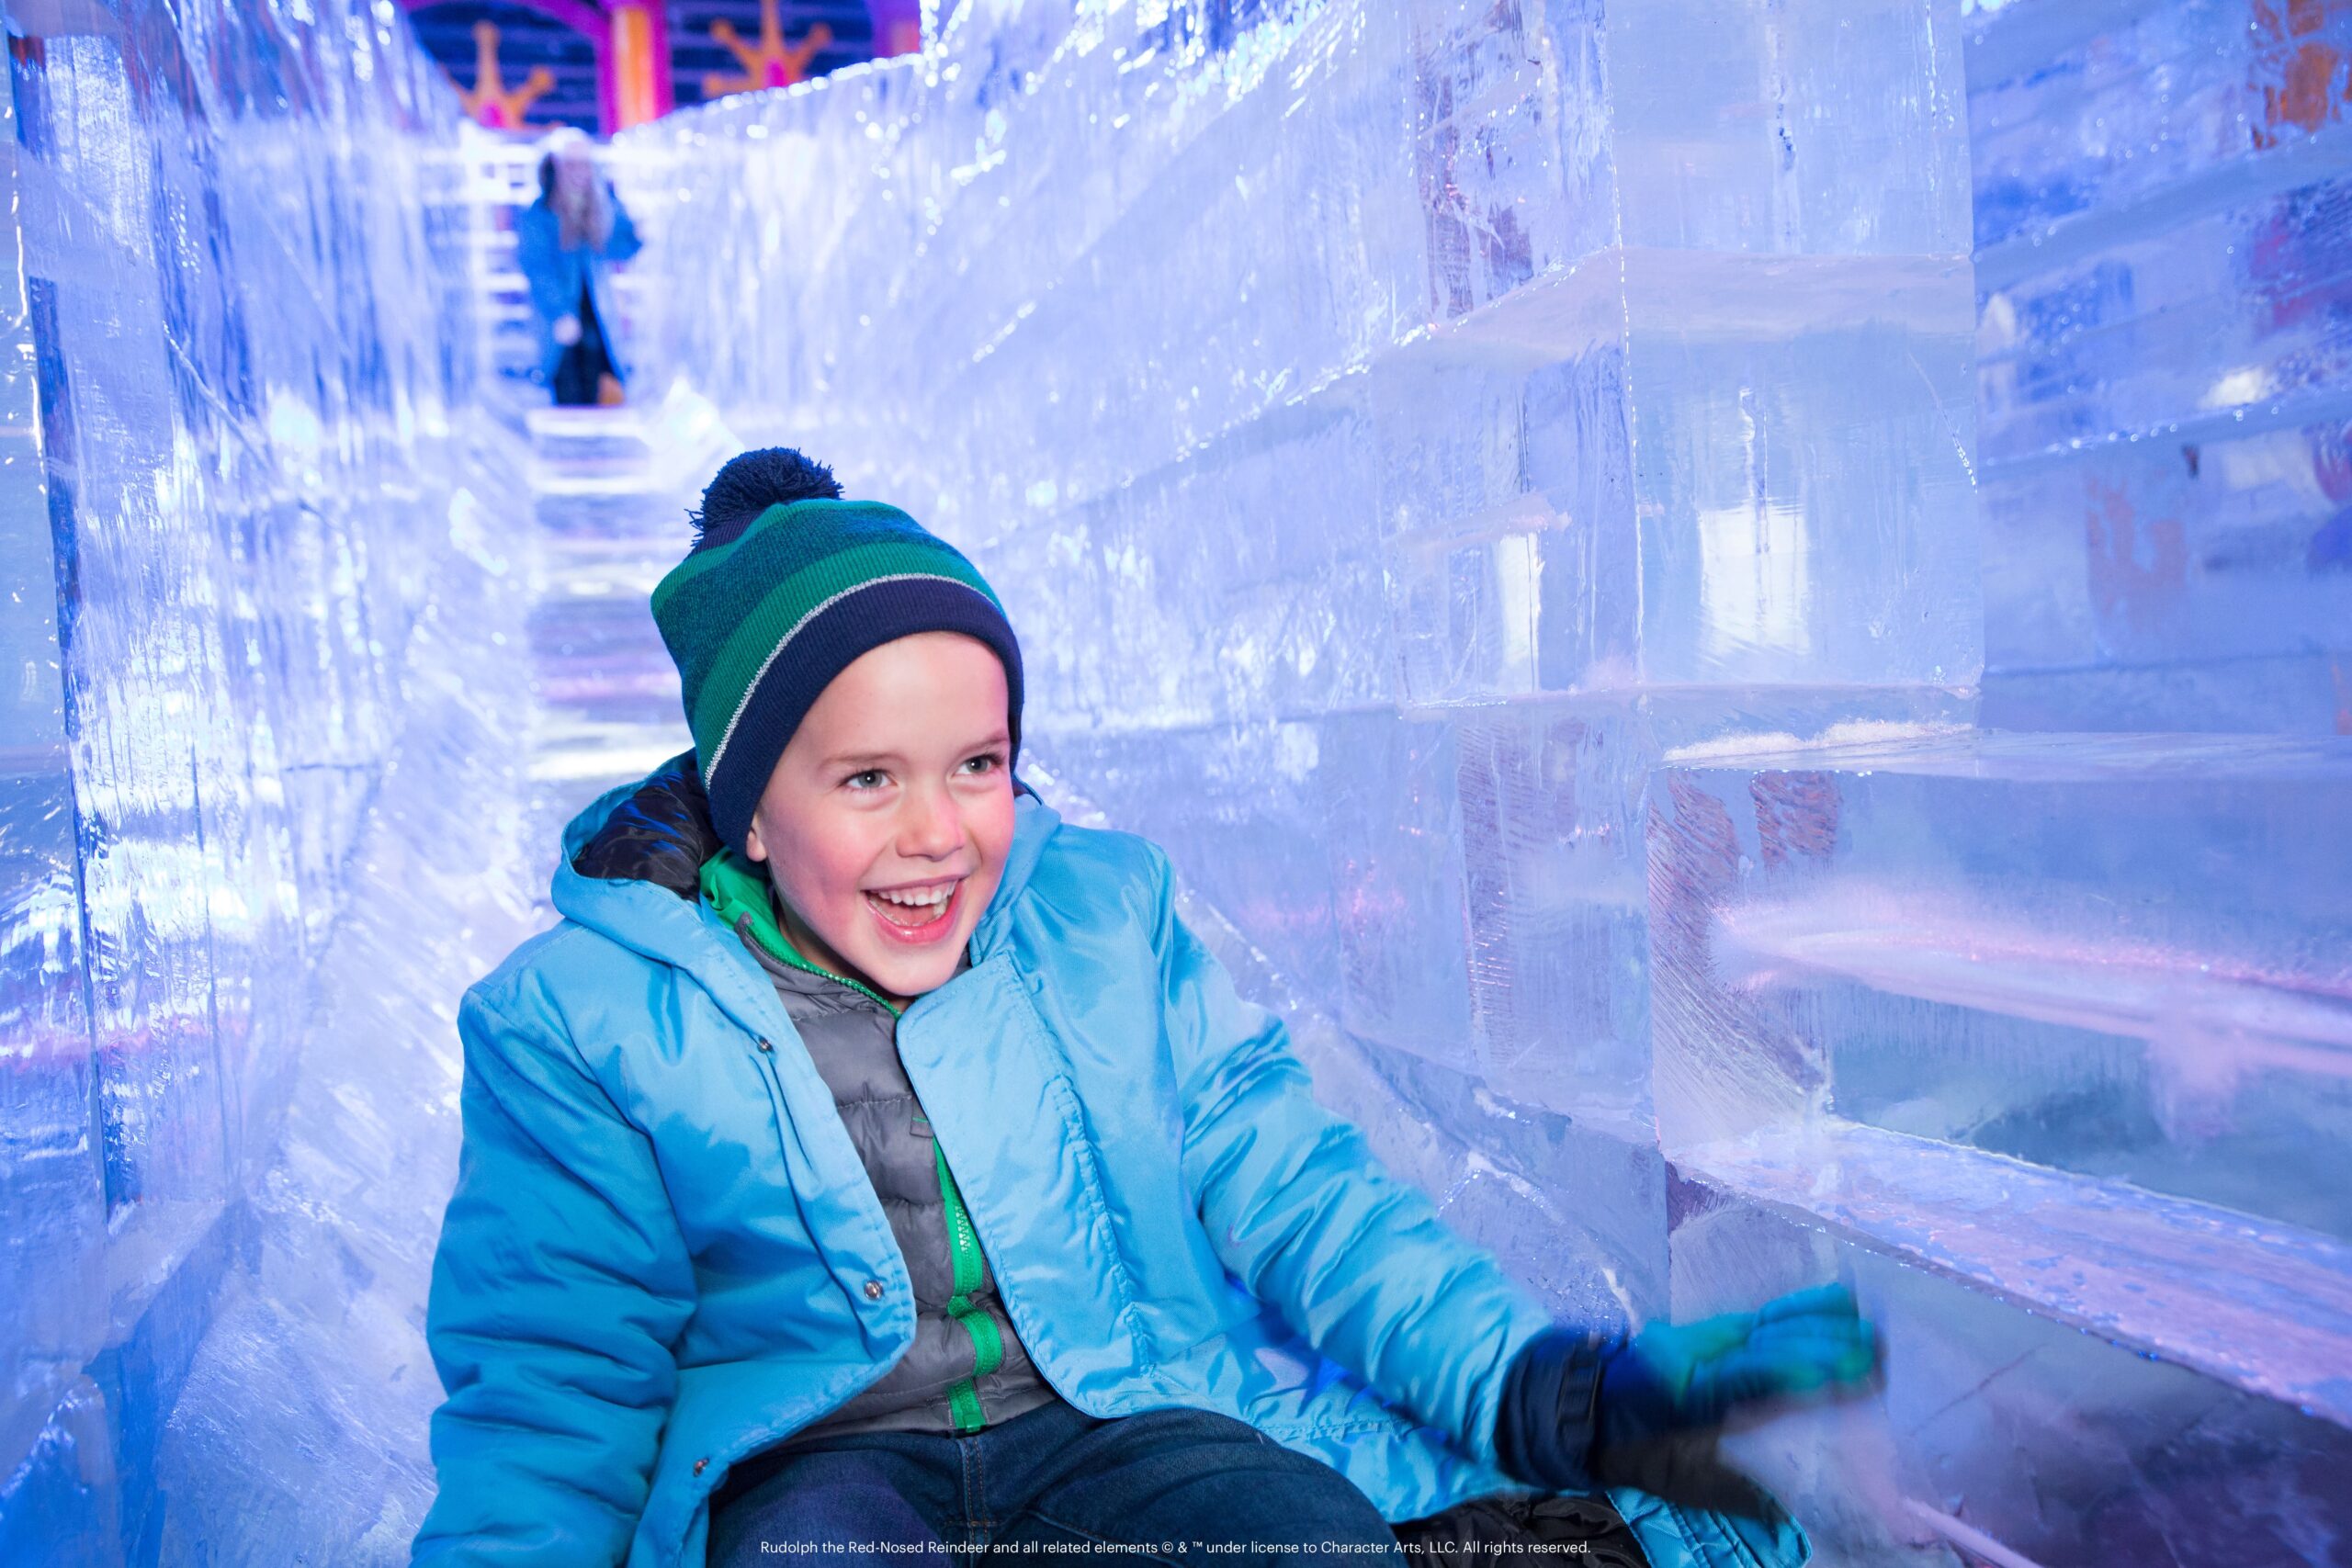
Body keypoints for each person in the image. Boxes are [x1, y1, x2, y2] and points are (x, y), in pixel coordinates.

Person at [412, 449, 1880, 1568]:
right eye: (868, 778)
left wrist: (1549, 1387)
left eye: (977, 763)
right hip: (820, 1466)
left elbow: (1306, 1201)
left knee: (1300, 1532)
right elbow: (555, 1392)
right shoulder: (585, 1022)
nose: (938, 831)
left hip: (1126, 1425)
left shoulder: (1102, 917)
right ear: (747, 808)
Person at [515, 138, 641, 406]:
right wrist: (559, 312)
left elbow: (624, 246)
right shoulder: (540, 214)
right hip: (561, 319)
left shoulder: (600, 207)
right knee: (567, 382)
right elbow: (538, 268)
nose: (579, 173)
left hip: (596, 314)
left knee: (598, 377)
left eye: (585, 165)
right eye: (571, 165)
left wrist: (613, 203)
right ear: (555, 168)